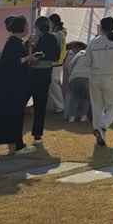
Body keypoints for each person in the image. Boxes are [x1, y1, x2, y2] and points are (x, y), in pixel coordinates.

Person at [0, 16, 46, 158]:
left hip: (12, 87)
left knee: (12, 116)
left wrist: (28, 50)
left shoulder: (15, 41)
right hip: (11, 88)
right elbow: (11, 62)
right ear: (21, 27)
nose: (27, 28)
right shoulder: (13, 42)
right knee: (5, 116)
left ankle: (18, 144)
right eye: (26, 26)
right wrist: (28, 58)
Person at [87, 17, 113, 147]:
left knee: (97, 107)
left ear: (101, 27)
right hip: (112, 77)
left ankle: (99, 133)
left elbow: (87, 62)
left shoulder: (93, 42)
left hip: (95, 77)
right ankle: (102, 127)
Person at [27, 16, 60, 144]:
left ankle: (14, 131)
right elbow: (56, 57)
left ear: (37, 27)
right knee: (40, 104)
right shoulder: (54, 37)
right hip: (46, 73)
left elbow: (27, 54)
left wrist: (35, 52)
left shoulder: (34, 38)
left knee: (22, 101)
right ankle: (37, 135)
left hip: (32, 72)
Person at [63, 42, 91, 122]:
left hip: (75, 77)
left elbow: (70, 65)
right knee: (86, 98)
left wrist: (72, 74)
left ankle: (72, 117)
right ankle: (84, 116)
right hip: (87, 78)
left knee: (75, 97)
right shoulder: (92, 54)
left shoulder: (78, 54)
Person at [48, 14, 68, 113]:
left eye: (49, 23)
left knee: (54, 84)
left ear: (53, 23)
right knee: (54, 84)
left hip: (56, 62)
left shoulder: (58, 34)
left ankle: (60, 106)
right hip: (57, 62)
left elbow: (56, 49)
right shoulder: (59, 33)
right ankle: (57, 106)